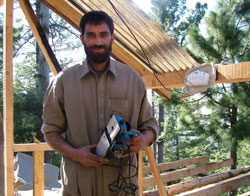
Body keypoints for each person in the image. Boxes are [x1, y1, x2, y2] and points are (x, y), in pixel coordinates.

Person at [42, 10, 159, 196]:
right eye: (91, 35)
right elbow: (50, 131)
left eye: (103, 35)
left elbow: (151, 125)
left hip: (122, 187)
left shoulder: (133, 80)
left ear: (112, 38)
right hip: (78, 187)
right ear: (82, 38)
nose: (97, 42)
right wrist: (75, 154)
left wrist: (143, 140)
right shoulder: (63, 82)